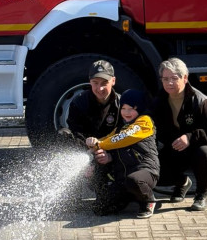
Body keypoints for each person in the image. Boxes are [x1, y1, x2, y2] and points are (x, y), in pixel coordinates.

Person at [151, 58, 207, 212]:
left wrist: (190, 137)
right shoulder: (159, 101)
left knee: (203, 154)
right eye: (165, 79)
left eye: (174, 78)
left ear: (185, 78)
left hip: (205, 145)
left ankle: (201, 195)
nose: (169, 83)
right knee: (152, 169)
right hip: (176, 146)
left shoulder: (200, 100)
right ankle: (182, 183)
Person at [57, 60, 122, 215]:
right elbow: (75, 131)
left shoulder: (122, 104)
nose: (99, 88)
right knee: (62, 135)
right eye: (95, 83)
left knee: (101, 210)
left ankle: (111, 191)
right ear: (89, 82)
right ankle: (72, 196)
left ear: (113, 81)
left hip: (109, 155)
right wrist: (86, 153)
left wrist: (110, 156)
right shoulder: (79, 102)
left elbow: (125, 136)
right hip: (87, 152)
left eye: (104, 83)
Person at [86, 89, 160, 219]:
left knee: (134, 180)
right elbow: (106, 139)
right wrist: (93, 144)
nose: (126, 112)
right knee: (100, 208)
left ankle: (148, 200)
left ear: (140, 108)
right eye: (123, 108)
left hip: (145, 171)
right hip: (123, 179)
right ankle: (133, 196)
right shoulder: (120, 128)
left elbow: (122, 138)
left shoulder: (145, 122)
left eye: (131, 108)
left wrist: (100, 144)